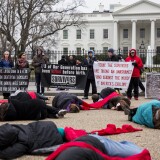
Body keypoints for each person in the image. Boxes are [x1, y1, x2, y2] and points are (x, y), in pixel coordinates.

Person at [46, 135, 151, 160]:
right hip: (85, 141)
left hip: (98, 143)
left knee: (140, 153)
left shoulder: (83, 154)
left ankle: (122, 144)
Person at [0, 98, 67, 121]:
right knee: (42, 105)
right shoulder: (12, 102)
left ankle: (54, 115)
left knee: (44, 112)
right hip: (38, 104)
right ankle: (57, 111)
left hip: (40, 116)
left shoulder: (9, 117)